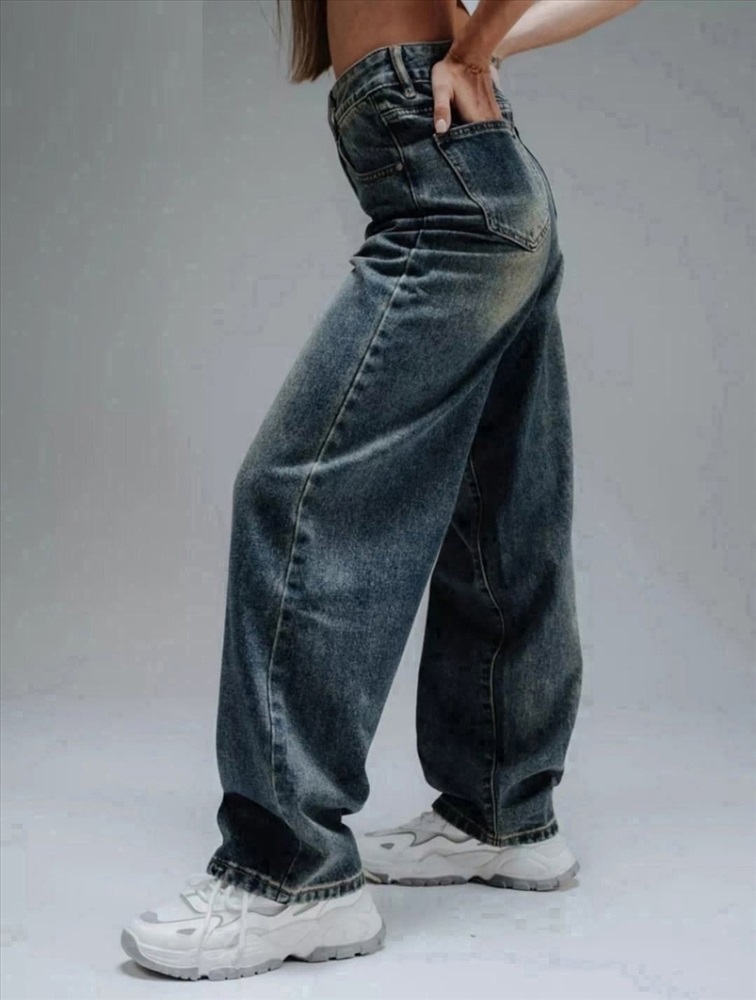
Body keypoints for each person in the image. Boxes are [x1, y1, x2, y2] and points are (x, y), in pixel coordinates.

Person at [121, 0, 644, 982]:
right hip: (482, 182)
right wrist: (482, 41)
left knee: (295, 496)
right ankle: (501, 813)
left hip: (450, 197)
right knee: (499, 508)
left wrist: (478, 43)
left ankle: (289, 874)